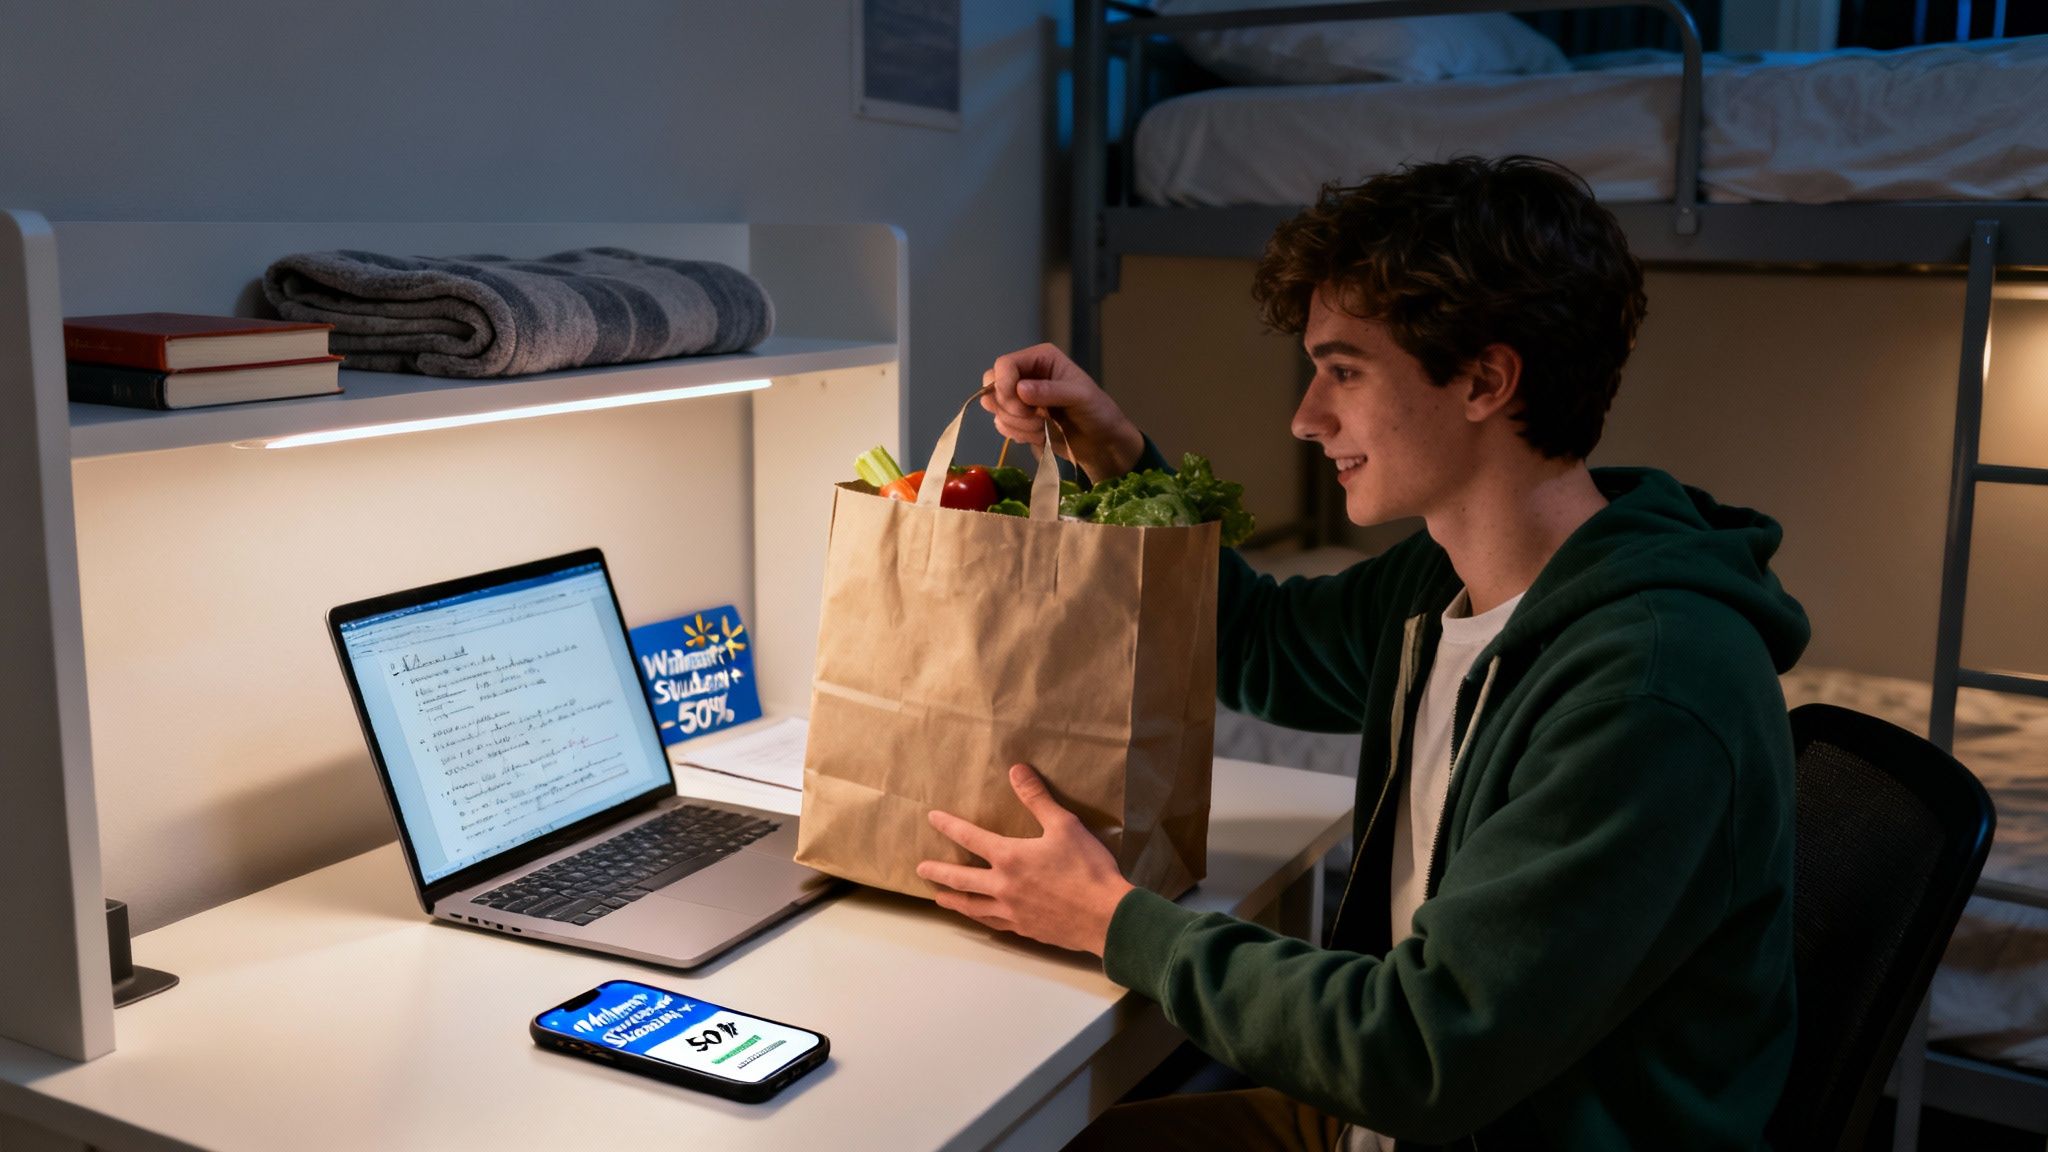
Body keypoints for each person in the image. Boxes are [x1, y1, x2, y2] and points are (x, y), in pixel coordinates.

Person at [912, 156, 1809, 1151]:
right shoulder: (1442, 584)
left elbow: (1420, 1054)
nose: (1304, 417)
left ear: (1484, 379)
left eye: (1342, 370)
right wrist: (1114, 452)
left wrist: (1109, 920)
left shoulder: (1649, 688)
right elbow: (1250, 644)